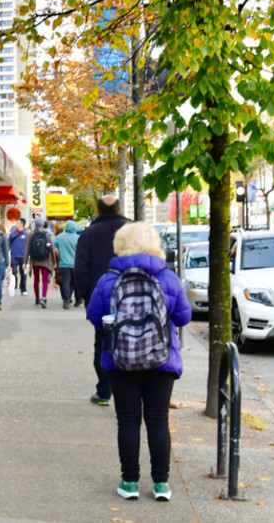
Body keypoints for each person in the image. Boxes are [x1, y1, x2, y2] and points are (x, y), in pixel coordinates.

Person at [85, 222, 191, 501]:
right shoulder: (168, 278)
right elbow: (184, 317)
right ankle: (161, 485)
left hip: (121, 360)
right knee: (158, 420)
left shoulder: (109, 279)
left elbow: (95, 317)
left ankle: (130, 482)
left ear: (120, 245)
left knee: (128, 421)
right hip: (161, 359)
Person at [75, 195, 131, 406]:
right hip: (133, 297)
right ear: (120, 209)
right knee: (133, 338)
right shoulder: (132, 230)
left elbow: (81, 269)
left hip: (103, 300)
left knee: (103, 343)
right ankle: (128, 391)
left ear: (98, 211)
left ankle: (104, 391)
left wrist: (88, 297)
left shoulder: (89, 233)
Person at [24, 218, 57, 308]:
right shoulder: (47, 234)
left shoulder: (31, 234)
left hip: (34, 261)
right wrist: (54, 262)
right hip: (45, 261)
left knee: (36, 280)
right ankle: (43, 297)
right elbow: (52, 249)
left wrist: (25, 262)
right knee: (45, 280)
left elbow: (27, 249)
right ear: (43, 225)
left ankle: (37, 299)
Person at [55, 220, 82, 309]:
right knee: (76, 282)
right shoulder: (78, 238)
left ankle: (66, 301)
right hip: (76, 264)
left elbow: (56, 250)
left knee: (65, 282)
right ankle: (78, 299)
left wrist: (60, 257)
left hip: (64, 264)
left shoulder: (59, 237)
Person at [8, 218, 29, 296]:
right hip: (14, 256)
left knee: (23, 273)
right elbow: (8, 244)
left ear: (21, 224)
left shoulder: (26, 234)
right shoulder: (12, 234)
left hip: (23, 256)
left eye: (17, 223)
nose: (16, 224)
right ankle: (14, 286)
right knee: (13, 273)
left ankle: (23, 289)